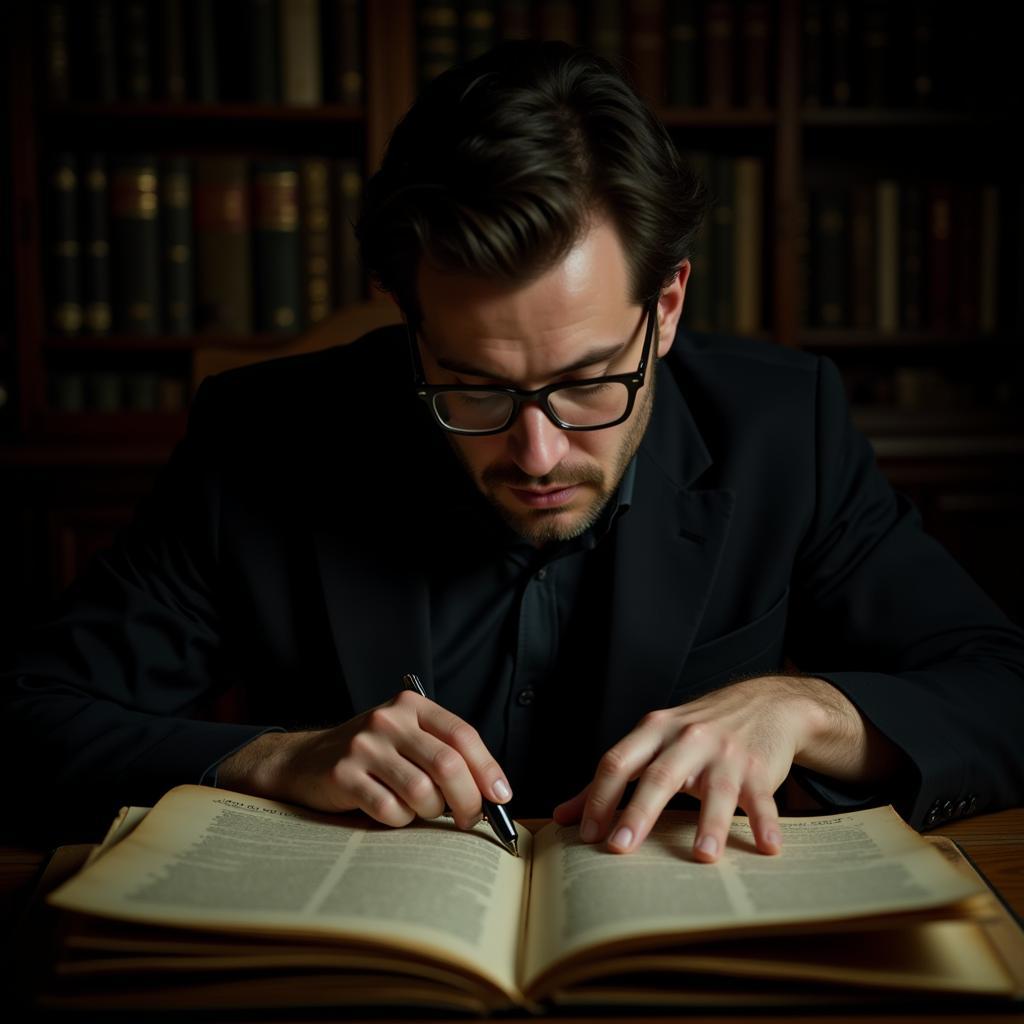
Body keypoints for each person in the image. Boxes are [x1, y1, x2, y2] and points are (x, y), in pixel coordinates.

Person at [2, 42, 1022, 861]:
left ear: (664, 305)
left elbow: (1001, 685)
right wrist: (270, 758)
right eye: (475, 387)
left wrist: (809, 708)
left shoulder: (780, 430)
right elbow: (26, 718)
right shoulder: (263, 439)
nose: (536, 451)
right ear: (411, 326)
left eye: (588, 382)